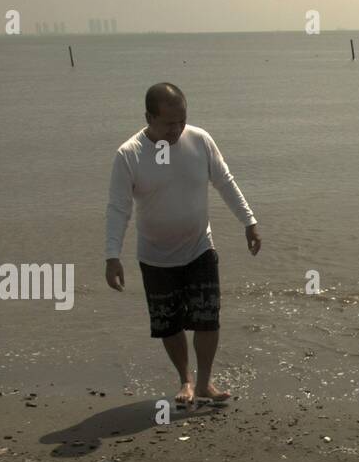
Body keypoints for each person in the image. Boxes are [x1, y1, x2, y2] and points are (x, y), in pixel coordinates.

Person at [104, 82, 261, 405]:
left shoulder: (199, 140)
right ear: (149, 117)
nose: (177, 129)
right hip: (155, 256)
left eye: (182, 120)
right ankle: (185, 380)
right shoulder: (129, 155)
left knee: (208, 316)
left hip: (199, 247)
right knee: (169, 323)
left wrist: (249, 222)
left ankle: (204, 382)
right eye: (168, 123)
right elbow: (119, 208)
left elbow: (224, 181)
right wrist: (112, 255)